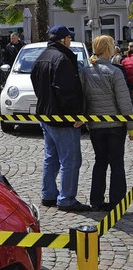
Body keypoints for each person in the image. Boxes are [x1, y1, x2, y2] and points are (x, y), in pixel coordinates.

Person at [31, 25, 89, 211]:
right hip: (62, 119)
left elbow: (36, 83)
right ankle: (67, 199)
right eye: (69, 38)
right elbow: (67, 92)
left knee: (51, 157)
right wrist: (76, 116)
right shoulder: (62, 59)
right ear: (63, 39)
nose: (70, 41)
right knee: (70, 160)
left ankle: (48, 195)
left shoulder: (42, 56)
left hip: (46, 116)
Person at [80, 35, 133, 211]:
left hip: (96, 126)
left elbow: (84, 100)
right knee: (117, 163)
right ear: (109, 49)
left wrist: (86, 120)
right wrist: (131, 128)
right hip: (115, 126)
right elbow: (124, 103)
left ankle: (96, 200)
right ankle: (117, 203)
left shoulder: (86, 72)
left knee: (100, 162)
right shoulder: (115, 72)